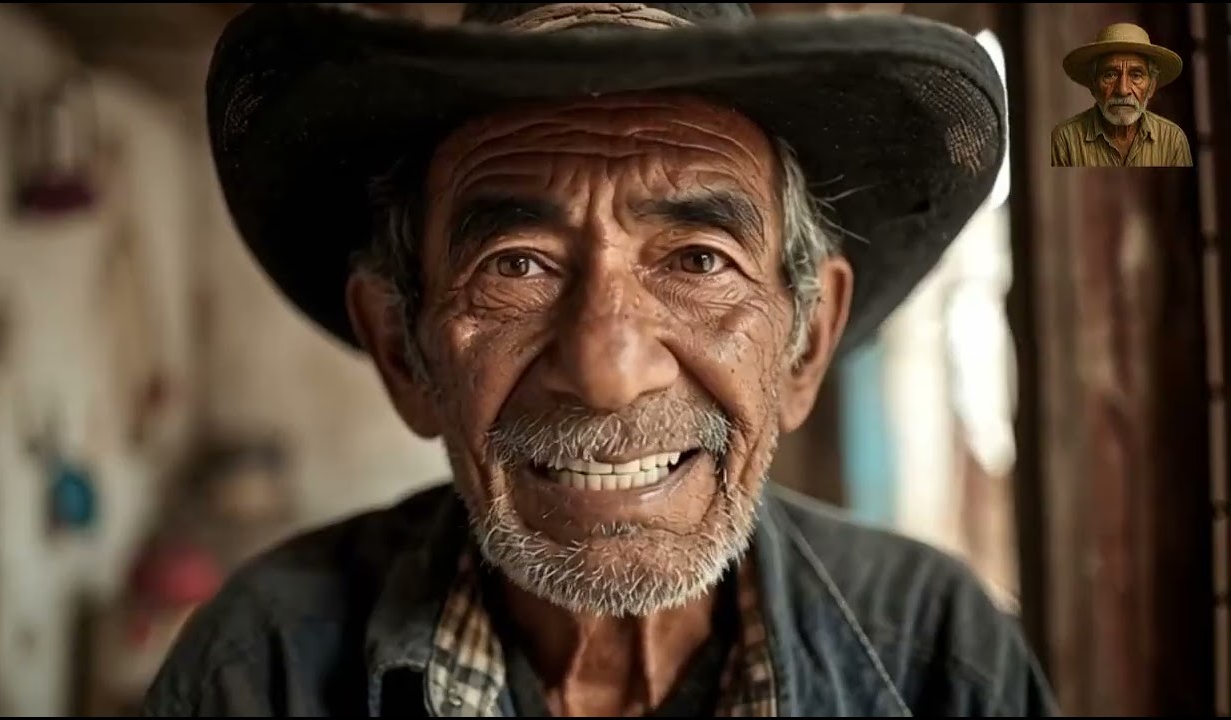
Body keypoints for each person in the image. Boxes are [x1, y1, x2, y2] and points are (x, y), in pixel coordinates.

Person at [144, 3, 1059, 716]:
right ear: (403, 349)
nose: (608, 370)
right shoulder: (262, 670)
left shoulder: (936, 655)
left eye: (700, 260)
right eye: (516, 267)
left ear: (804, 345)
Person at [1050, 22, 1193, 168]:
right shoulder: (1065, 139)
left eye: (1136, 75)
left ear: (1151, 88)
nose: (1123, 90)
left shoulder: (1172, 139)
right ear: (1093, 85)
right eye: (1110, 75)